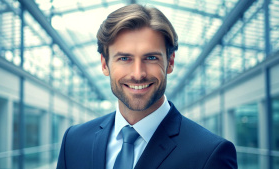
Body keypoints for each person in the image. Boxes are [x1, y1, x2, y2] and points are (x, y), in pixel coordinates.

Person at [56, 4, 237, 169]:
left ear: (170, 62)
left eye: (151, 58)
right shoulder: (73, 141)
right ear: (105, 65)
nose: (138, 74)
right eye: (124, 58)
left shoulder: (210, 154)